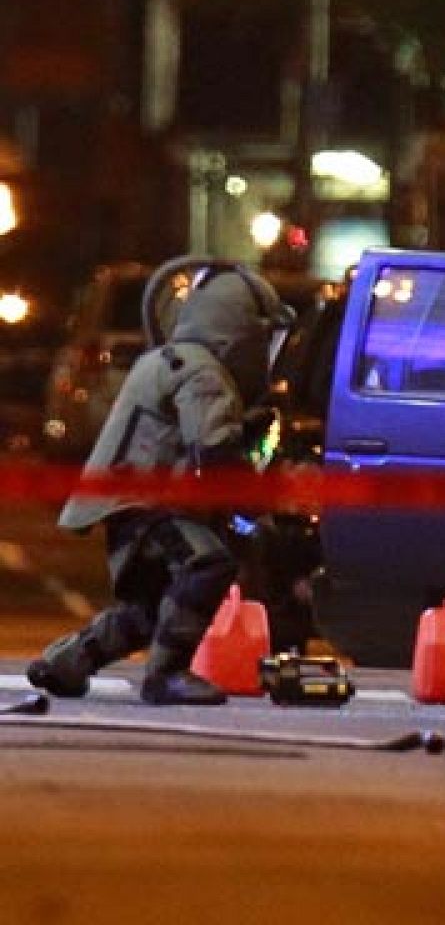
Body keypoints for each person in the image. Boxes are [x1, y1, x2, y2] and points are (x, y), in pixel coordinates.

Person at [27, 259, 294, 706]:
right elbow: (215, 455)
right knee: (207, 566)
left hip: (130, 502)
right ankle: (166, 676)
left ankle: (67, 663)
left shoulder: (171, 359)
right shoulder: (203, 371)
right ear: (239, 330)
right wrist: (258, 508)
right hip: (146, 503)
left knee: (150, 607)